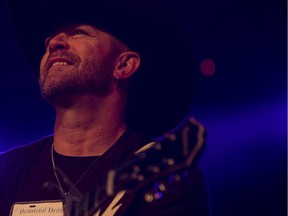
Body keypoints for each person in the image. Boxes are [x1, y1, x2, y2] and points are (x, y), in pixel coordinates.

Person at [0, 0, 210, 215]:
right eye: (48, 40)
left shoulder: (163, 174)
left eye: (78, 32)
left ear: (124, 65)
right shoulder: (5, 172)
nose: (54, 43)